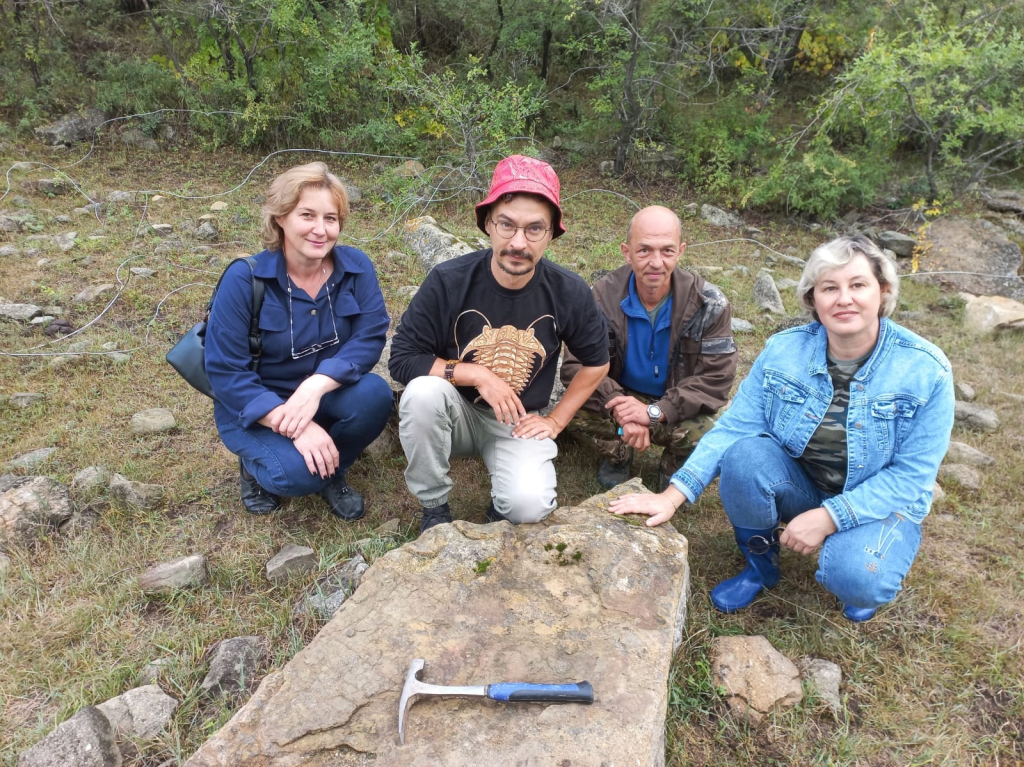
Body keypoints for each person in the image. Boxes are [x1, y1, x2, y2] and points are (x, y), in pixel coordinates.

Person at [609, 235, 954, 622]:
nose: (844, 299)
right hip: (805, 482)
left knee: (857, 577)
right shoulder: (783, 351)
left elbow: (913, 477)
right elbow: (733, 430)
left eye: (858, 285)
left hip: (880, 503)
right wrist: (671, 497)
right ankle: (761, 567)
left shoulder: (926, 370)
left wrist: (830, 518)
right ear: (812, 299)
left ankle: (857, 567)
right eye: (829, 287)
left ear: (883, 291)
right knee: (744, 456)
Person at [389, 155, 611, 534]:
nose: (518, 242)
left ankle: (503, 502)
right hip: (453, 410)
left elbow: (596, 362)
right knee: (422, 393)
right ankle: (434, 505)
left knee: (529, 505)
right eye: (507, 225)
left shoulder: (569, 291)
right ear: (488, 223)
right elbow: (402, 360)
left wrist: (557, 420)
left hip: (519, 420)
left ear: (552, 233)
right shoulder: (448, 280)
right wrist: (476, 374)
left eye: (534, 229)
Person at [205, 161, 393, 520]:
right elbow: (225, 372)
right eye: (307, 215)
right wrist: (294, 423)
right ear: (280, 218)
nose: (321, 230)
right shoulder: (245, 281)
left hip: (323, 395)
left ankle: (332, 469)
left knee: (374, 396)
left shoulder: (355, 267)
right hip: (257, 407)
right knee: (295, 476)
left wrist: (315, 388)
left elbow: (370, 335)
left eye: (331, 218)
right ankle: (255, 469)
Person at [560, 205, 737, 491]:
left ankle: (675, 468)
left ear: (681, 251)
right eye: (644, 250)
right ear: (626, 251)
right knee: (574, 412)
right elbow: (576, 366)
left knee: (707, 434)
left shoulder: (709, 304)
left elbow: (716, 380)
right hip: (620, 396)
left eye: (666, 251)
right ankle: (618, 451)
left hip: (675, 401)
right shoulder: (600, 298)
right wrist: (623, 410)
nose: (656, 262)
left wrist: (655, 412)